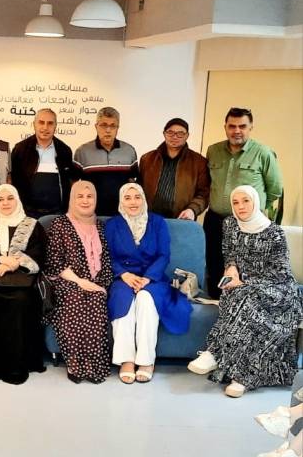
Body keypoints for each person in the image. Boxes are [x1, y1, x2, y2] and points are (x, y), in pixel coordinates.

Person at [188, 185, 302, 398]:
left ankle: (215, 354)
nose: (240, 206)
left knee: (245, 300)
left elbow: (280, 272)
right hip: (240, 285)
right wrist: (231, 269)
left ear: (256, 202)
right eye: (236, 202)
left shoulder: (274, 232)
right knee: (233, 296)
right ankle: (240, 377)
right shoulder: (230, 224)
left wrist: (245, 281)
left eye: (246, 201)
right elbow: (229, 253)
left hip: (278, 289)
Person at [104, 183, 191, 384]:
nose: (133, 202)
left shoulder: (157, 222)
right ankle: (126, 359)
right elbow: (107, 256)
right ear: (121, 202)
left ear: (143, 199)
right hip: (123, 278)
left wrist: (148, 278)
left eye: (137, 197)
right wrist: (123, 274)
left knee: (145, 298)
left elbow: (163, 255)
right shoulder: (112, 225)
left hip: (153, 278)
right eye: (127, 198)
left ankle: (146, 360)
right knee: (122, 299)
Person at [0, 184, 47, 384]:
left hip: (21, 281)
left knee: (20, 301)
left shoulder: (32, 224)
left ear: (17, 200)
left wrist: (15, 263)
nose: (5, 203)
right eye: (0, 199)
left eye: (10, 198)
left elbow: (39, 252)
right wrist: (0, 260)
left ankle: (16, 367)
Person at [204, 107, 283, 298]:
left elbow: (275, 189)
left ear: (250, 127)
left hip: (245, 225)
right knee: (214, 266)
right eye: (232, 126)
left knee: (244, 271)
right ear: (225, 127)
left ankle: (240, 307)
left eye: (242, 126)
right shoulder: (213, 150)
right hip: (215, 220)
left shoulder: (263, 153)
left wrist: (255, 212)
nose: (237, 131)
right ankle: (216, 305)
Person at [45, 180, 114, 384]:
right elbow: (54, 261)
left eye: (89, 196)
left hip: (95, 282)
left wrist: (101, 285)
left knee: (96, 300)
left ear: (96, 199)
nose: (85, 200)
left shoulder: (101, 227)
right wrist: (80, 281)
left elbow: (107, 261)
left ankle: (94, 367)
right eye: (80, 196)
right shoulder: (60, 224)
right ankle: (75, 365)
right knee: (75, 298)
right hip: (66, 280)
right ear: (72, 199)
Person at [138, 118, 210, 220]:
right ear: (164, 134)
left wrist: (192, 210)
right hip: (149, 218)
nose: (175, 136)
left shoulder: (199, 162)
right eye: (170, 132)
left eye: (180, 133)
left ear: (187, 136)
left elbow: (204, 194)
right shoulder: (147, 159)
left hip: (181, 219)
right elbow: (138, 188)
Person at [72, 107, 138, 216]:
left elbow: (133, 183)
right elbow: (74, 185)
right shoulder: (82, 152)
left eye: (113, 126)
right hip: (91, 215)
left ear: (118, 128)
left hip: (122, 215)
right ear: (96, 126)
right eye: (103, 125)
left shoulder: (129, 151)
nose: (108, 130)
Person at [10, 108, 75, 218]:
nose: (45, 127)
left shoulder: (64, 151)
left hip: (57, 214)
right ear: (34, 125)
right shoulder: (20, 150)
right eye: (41, 122)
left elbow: (69, 183)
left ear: (55, 126)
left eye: (50, 123)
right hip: (26, 214)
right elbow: (13, 181)